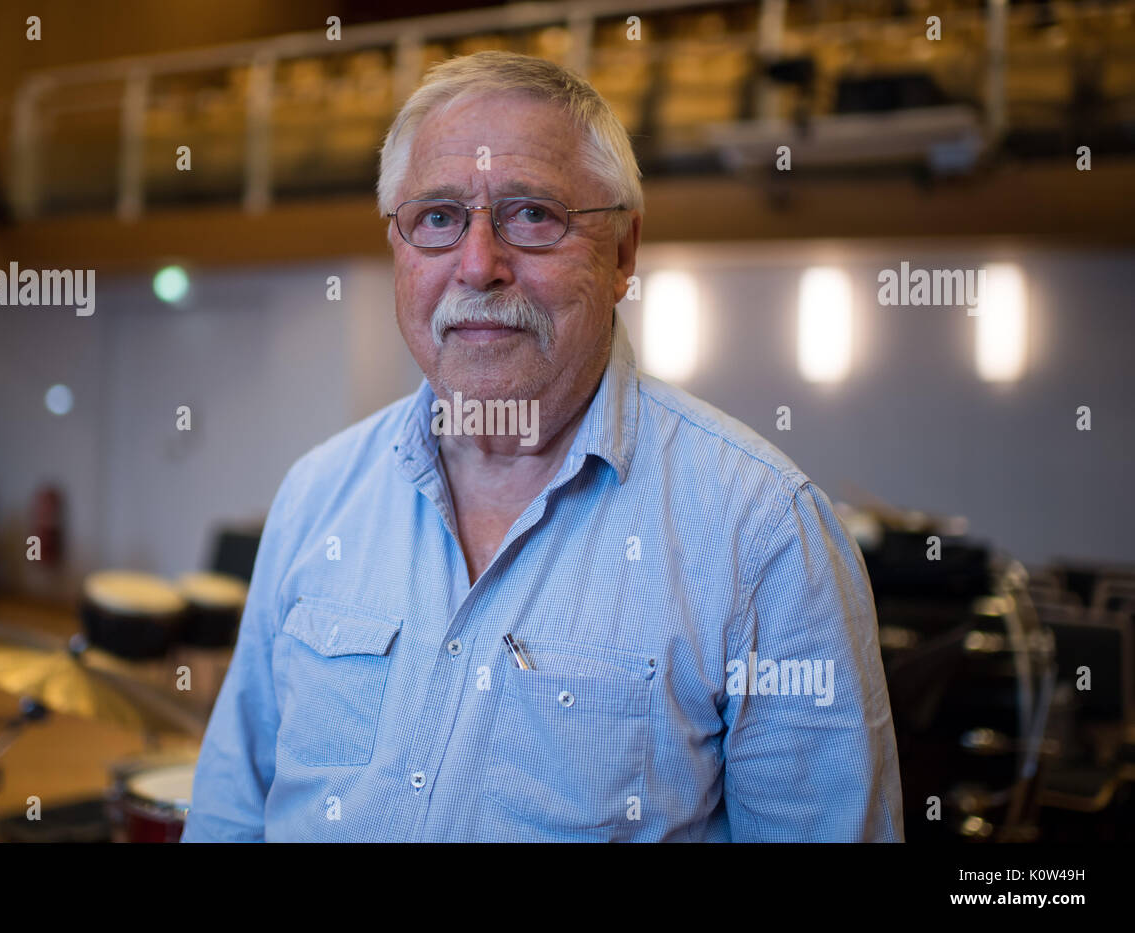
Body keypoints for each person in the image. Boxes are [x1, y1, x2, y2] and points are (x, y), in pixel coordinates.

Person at [183, 50, 903, 842]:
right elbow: (229, 812)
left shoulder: (765, 535)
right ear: (398, 247)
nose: (479, 264)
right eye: (437, 218)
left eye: (531, 214)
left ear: (623, 252)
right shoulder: (317, 493)